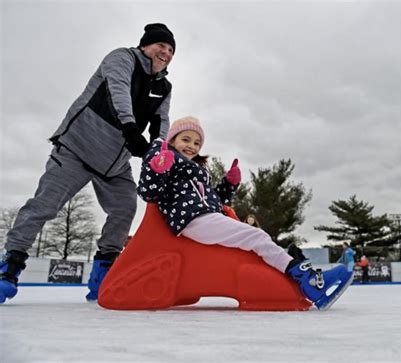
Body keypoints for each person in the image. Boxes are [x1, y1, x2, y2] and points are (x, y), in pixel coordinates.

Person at [0, 23, 176, 304]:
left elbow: (161, 121)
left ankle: (104, 272)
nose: (165, 53)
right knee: (44, 206)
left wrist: (158, 149)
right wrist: (130, 129)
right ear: (145, 45)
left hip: (114, 164)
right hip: (77, 149)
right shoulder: (122, 58)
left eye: (170, 50)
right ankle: (9, 266)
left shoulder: (163, 87)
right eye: (161, 46)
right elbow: (117, 91)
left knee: (124, 207)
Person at [137, 116, 353, 310]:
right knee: (256, 236)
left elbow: (213, 201)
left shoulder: (197, 170)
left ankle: (299, 278)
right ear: (172, 140)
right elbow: (148, 193)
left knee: (254, 239)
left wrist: (229, 184)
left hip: (206, 217)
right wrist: (157, 170)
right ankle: (309, 282)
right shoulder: (167, 160)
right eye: (185, 139)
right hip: (192, 220)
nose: (192, 146)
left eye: (196, 142)